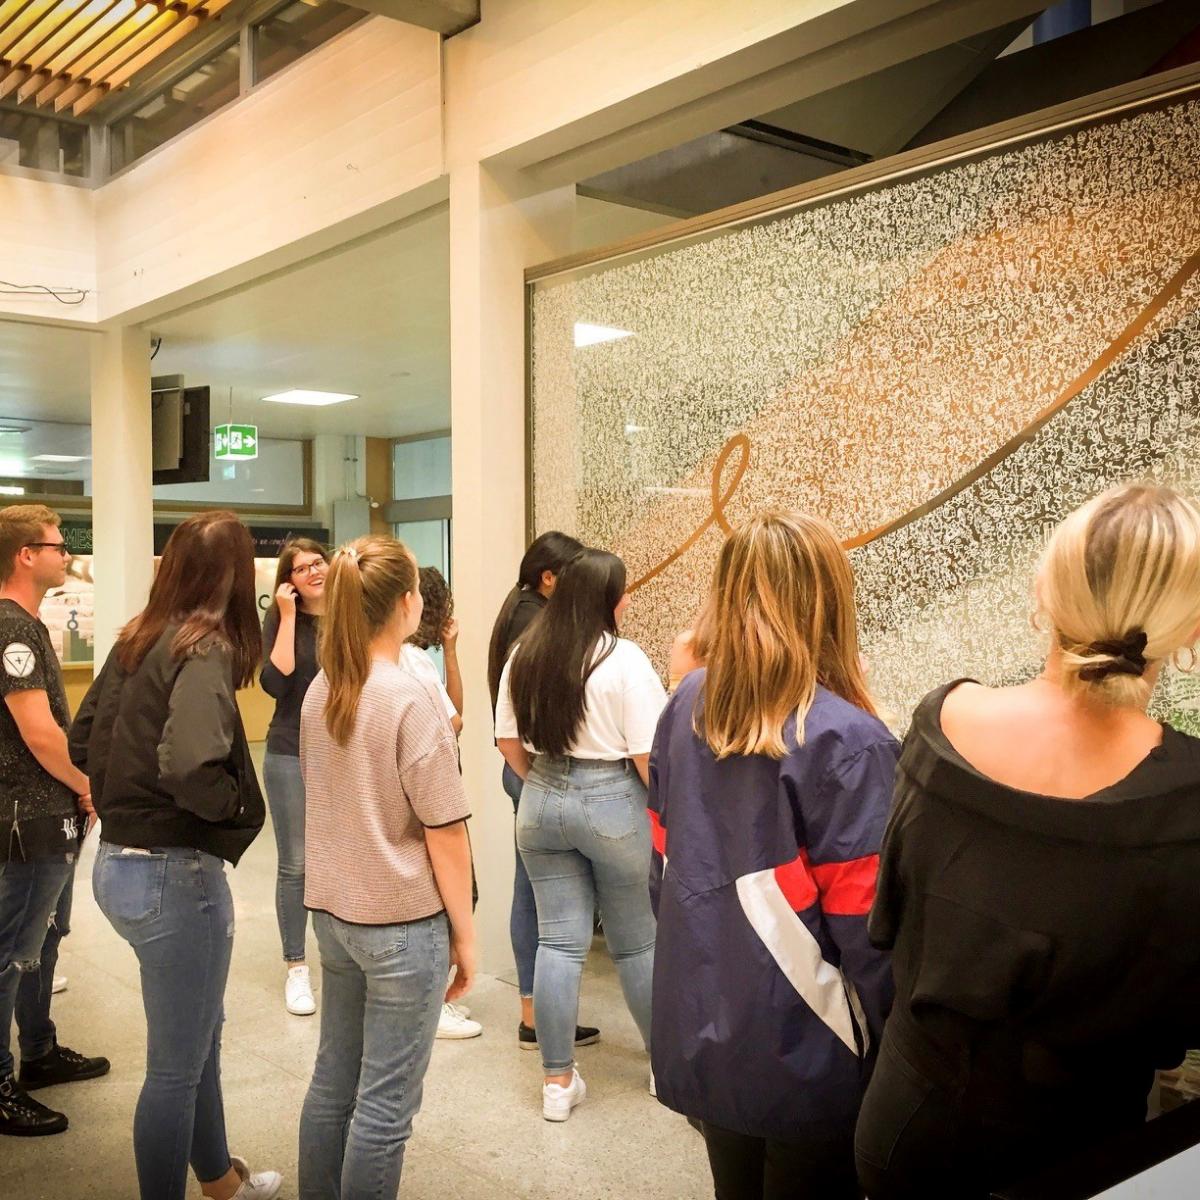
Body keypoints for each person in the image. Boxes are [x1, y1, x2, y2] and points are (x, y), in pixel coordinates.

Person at [855, 483, 1200, 1200]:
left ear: (1044, 589)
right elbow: (1177, 1025)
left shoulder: (941, 722)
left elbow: (887, 923)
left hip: (907, 1127)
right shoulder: (1188, 800)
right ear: (1190, 628)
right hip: (1083, 1148)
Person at [649, 510, 896, 1199]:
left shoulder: (686, 702)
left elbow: (663, 870)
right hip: (814, 1042)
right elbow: (871, 931)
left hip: (707, 1018)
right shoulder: (848, 740)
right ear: (829, 601)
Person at [70, 511, 280, 1200]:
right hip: (173, 878)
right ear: (235, 576)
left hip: (115, 865)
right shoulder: (205, 646)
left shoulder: (137, 637)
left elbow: (82, 739)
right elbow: (189, 765)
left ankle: (218, 1180)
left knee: (197, 1036)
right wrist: (232, 806)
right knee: (173, 1070)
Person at [298, 536, 475, 1198]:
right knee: (385, 1107)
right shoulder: (408, 696)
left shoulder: (323, 688)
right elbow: (445, 831)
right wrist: (466, 936)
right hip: (401, 924)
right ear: (406, 602)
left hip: (335, 915)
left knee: (333, 1082)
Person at [496, 548, 665, 1121]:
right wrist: (666, 812)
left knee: (558, 943)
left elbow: (507, 742)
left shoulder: (525, 653)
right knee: (636, 942)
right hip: (612, 797)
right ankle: (663, 1068)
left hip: (540, 798)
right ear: (605, 599)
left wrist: (547, 784)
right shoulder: (625, 659)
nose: (627, 600)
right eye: (623, 591)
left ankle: (557, 1083)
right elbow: (646, 756)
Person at [0, 504, 108, 1137]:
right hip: (27, 816)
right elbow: (39, 734)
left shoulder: (30, 622)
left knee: (45, 939)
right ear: (25, 555)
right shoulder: (10, 628)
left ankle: (38, 1051)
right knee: (13, 950)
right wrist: (87, 786)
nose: (65, 555)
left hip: (51, 812)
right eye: (56, 546)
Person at [486, 531, 599, 1052]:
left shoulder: (521, 611)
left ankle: (536, 1013)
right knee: (539, 896)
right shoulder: (534, 623)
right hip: (533, 770)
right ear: (550, 578)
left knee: (532, 890)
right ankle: (536, 1015)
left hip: (526, 770)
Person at [405, 565, 480, 1040]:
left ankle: (434, 1000)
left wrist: (450, 652)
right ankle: (435, 1003)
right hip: (432, 786)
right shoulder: (412, 662)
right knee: (454, 893)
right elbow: (453, 721)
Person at [260, 537, 328, 1017]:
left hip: (342, 751)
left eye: (318, 562)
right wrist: (286, 616)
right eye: (302, 568)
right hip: (289, 750)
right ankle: (296, 965)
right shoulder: (285, 620)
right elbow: (276, 682)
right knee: (296, 864)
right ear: (289, 581)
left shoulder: (350, 615)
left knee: (340, 857)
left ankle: (343, 955)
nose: (313, 571)